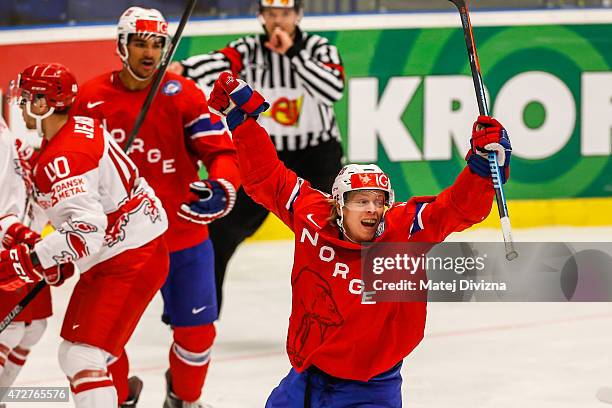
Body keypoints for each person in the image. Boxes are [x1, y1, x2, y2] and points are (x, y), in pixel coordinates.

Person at [206, 72, 512, 406]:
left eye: (380, 200)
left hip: (371, 390)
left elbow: (455, 209)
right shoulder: (313, 215)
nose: (372, 209)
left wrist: (480, 171)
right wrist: (243, 123)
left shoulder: (404, 232)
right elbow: (267, 178)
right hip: (306, 378)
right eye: (360, 200)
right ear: (338, 205)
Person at [71, 7, 240, 407]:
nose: (149, 53)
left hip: (181, 237)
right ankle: (119, 395)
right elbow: (69, 165)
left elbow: (222, 152)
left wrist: (222, 186)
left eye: (158, 44)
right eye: (140, 43)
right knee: (102, 340)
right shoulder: (91, 99)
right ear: (121, 45)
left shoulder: (183, 94)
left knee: (198, 333)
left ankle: (184, 398)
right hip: (117, 243)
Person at [0, 62, 169, 408]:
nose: (22, 105)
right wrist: (50, 255)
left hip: (128, 257)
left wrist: (31, 260)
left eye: (29, 98)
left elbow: (85, 235)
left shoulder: (63, 157)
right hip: (129, 249)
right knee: (73, 354)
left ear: (45, 103)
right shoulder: (81, 128)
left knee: (82, 357)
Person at [169, 0, 345, 311]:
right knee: (221, 229)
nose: (278, 22)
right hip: (269, 159)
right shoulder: (248, 49)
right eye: (272, 14)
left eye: (285, 15)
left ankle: (342, 307)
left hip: (318, 157)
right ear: (261, 17)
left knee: (334, 232)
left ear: (298, 16)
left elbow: (332, 89)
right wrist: (184, 68)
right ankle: (201, 309)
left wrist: (292, 53)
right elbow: (219, 62)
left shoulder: (319, 48)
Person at [0, 117, 53, 407]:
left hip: (23, 237)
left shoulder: (8, 135)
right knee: (11, 328)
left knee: (34, 328)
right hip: (8, 239)